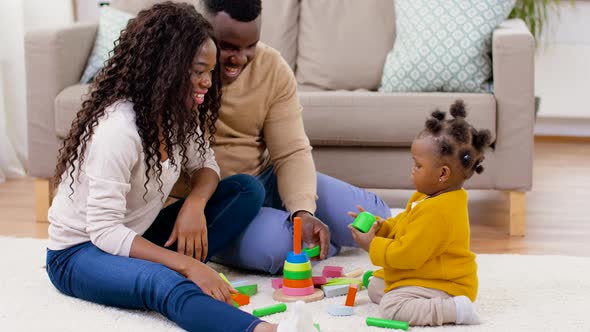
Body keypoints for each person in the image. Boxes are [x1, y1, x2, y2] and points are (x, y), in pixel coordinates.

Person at [45, 3, 312, 331]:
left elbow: (206, 164)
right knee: (163, 283)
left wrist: (196, 205)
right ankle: (262, 330)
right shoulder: (119, 131)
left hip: (136, 235)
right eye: (199, 71)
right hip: (81, 252)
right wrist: (186, 265)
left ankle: (171, 269)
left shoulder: (176, 116)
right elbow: (104, 231)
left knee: (245, 189)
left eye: (209, 73)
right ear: (167, 67)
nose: (207, 82)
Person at [192, 0, 391, 274]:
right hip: (218, 201)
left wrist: (303, 212)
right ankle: (305, 238)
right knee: (284, 246)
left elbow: (291, 152)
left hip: (265, 180)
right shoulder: (180, 72)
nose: (241, 59)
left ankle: (301, 227)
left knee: (374, 217)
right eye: (228, 46)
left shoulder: (271, 66)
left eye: (250, 45)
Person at [348, 100, 492, 326]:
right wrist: (380, 227)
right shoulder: (426, 197)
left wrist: (371, 245)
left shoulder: (439, 213)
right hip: (424, 274)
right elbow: (403, 227)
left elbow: (407, 254)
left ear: (443, 174)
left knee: (392, 306)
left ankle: (456, 309)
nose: (412, 170)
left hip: (445, 285)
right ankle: (411, 295)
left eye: (418, 165)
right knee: (377, 286)